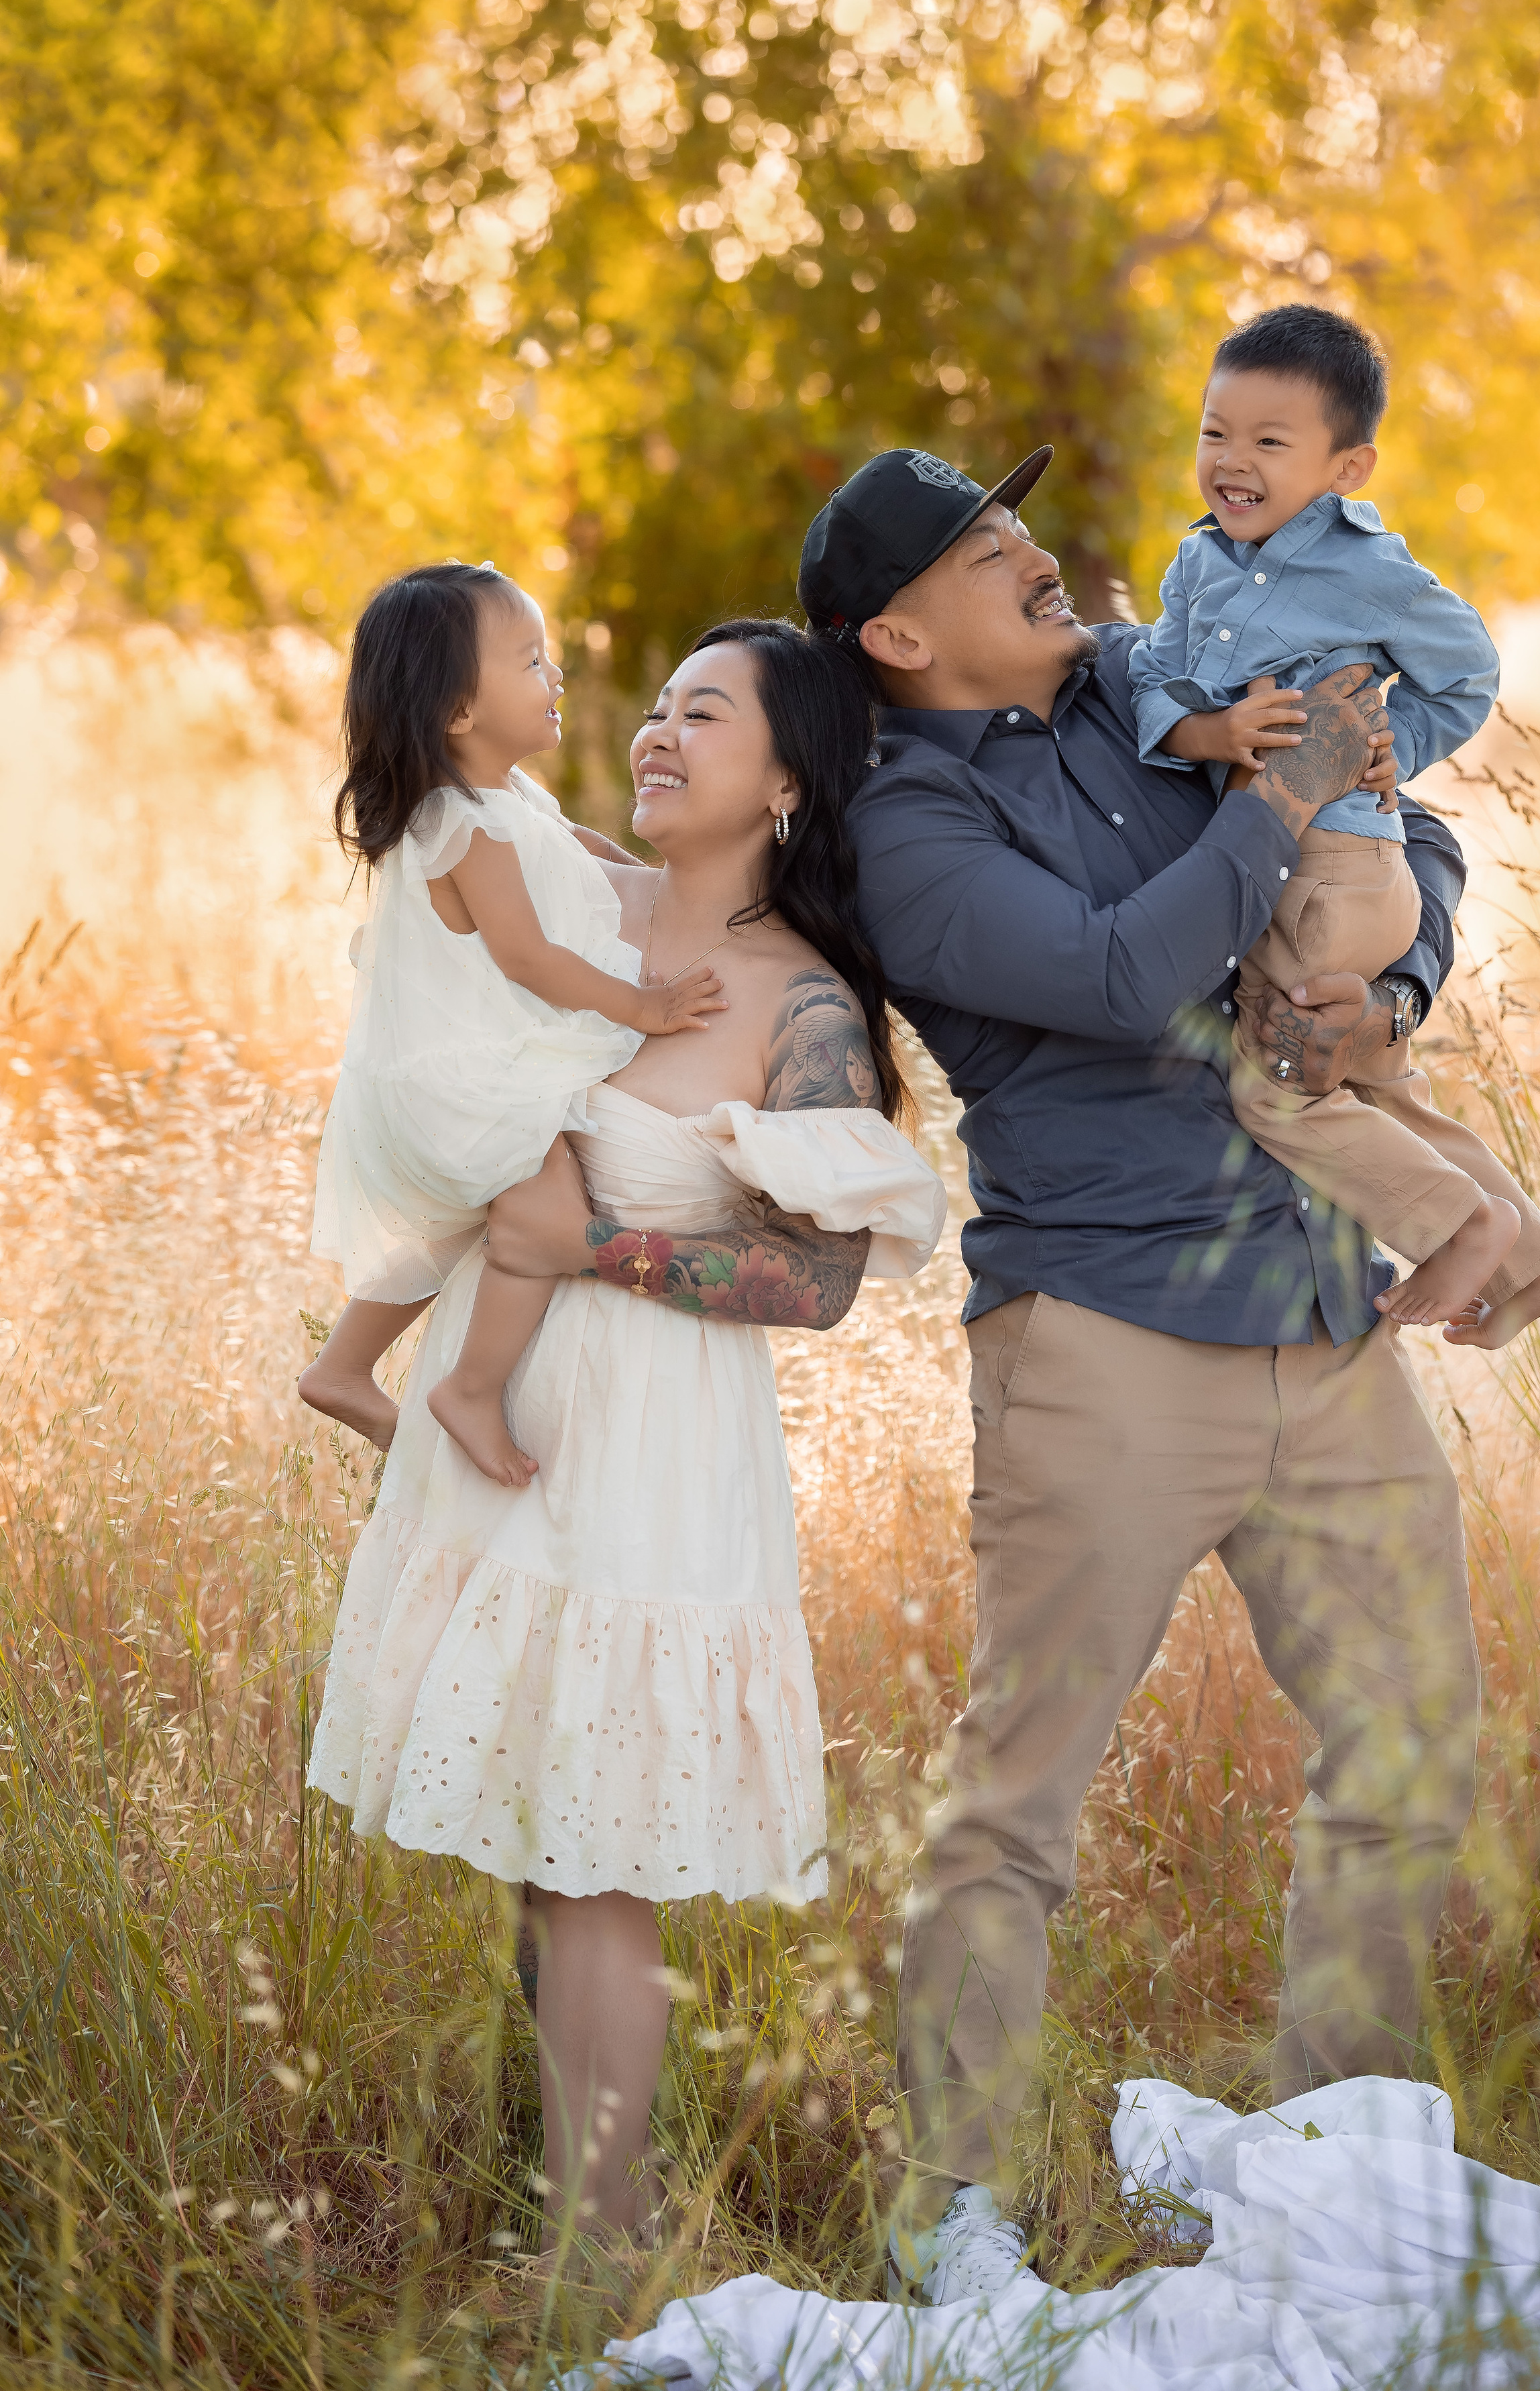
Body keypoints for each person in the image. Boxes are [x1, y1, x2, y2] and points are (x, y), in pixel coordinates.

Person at [794, 442, 1502, 2302]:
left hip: (1323, 1313)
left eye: (1014, 522)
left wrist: (1396, 979)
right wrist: (1272, 813)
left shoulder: (1149, 671)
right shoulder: (907, 829)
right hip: (1103, 1343)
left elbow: (1401, 809)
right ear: (897, 631)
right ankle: (952, 2200)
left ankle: (1334, 2171)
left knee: (1412, 1741)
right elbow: (1119, 973)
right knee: (1020, 1797)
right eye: (976, 548)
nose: (1028, 550)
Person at [305, 618, 947, 2252]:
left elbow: (816, 1284)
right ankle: (578, 2201)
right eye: (653, 706)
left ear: (789, 776)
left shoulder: (804, 1004)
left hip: (649, 1445)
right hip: (505, 1401)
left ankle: (603, 2255)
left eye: (704, 714)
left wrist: (589, 1248)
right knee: (531, 1826)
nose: (656, 732)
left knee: (595, 1855)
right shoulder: (573, 895)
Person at [1128, 305, 1540, 1345]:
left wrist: (1400, 749)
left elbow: (1468, 671)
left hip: (1331, 869)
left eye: (1269, 441)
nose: (1231, 461)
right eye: (1214, 431)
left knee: (1278, 1091)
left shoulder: (1370, 569)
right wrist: (1210, 733)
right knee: (1378, 1087)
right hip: (1321, 870)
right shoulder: (1195, 568)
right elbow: (1154, 675)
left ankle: (1462, 1227)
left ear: (1347, 467)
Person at [298, 560, 725, 1487]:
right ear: (458, 711)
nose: (556, 677)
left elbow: (585, 854)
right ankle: (471, 1391)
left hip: (449, 1070)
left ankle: (340, 1368)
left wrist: (670, 886)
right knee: (545, 1217)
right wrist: (645, 1007)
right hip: (466, 1077)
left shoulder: (507, 802)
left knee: (454, 1225)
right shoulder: (462, 824)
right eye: (531, 661)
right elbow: (529, 957)